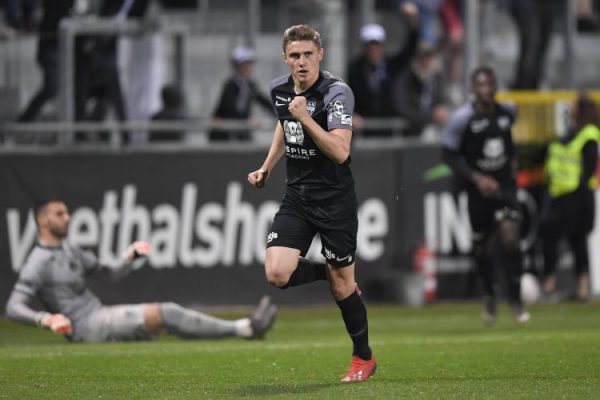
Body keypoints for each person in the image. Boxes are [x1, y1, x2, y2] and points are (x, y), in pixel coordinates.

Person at [247, 24, 376, 383]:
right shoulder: (279, 89)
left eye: (308, 54)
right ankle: (332, 273)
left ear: (320, 54)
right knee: (276, 273)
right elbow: (284, 124)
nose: (302, 62)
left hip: (334, 201)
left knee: (342, 289)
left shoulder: (337, 93)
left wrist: (305, 117)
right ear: (285, 58)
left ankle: (363, 358)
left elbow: (341, 151)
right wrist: (267, 167)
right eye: (294, 56)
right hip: (298, 197)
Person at [5, 199, 278, 342]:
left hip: (100, 316)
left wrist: (129, 258)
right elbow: (13, 306)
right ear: (42, 220)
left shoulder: (70, 250)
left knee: (166, 318)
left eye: (67, 212)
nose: (67, 217)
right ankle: (245, 328)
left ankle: (243, 328)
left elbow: (109, 273)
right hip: (86, 328)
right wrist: (46, 319)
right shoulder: (38, 261)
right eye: (59, 214)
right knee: (167, 312)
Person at [442, 66, 530, 325]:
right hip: (478, 191)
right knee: (484, 247)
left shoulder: (507, 112)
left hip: (504, 187)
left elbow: (509, 143)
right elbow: (448, 155)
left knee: (510, 237)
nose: (485, 90)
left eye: (489, 84)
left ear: (495, 87)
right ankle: (490, 295)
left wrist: (512, 166)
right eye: (480, 85)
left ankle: (515, 299)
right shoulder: (462, 118)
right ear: (473, 89)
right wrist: (477, 179)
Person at [540, 94, 600, 301]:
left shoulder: (589, 135)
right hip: (558, 194)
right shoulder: (567, 134)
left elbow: (589, 168)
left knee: (577, 241)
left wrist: (578, 192)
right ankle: (549, 283)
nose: (568, 108)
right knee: (549, 238)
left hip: (579, 196)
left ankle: (582, 286)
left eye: (573, 105)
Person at [347, 2, 419, 137]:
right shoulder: (354, 69)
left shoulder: (391, 65)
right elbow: (347, 95)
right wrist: (351, 114)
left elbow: (410, 49)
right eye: (370, 45)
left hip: (390, 127)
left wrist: (412, 21)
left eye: (377, 45)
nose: (374, 49)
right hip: (365, 129)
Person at [11, 0, 75, 122]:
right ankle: (26, 118)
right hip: (50, 46)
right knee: (52, 86)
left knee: (73, 86)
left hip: (64, 46)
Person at [209, 46, 274, 141]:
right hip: (226, 131)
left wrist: (278, 113)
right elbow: (230, 107)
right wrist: (247, 120)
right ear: (238, 67)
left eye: (250, 65)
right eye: (245, 65)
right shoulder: (230, 84)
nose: (249, 68)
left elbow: (263, 101)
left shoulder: (250, 85)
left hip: (242, 130)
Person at [390, 42, 450, 137]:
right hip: (407, 131)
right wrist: (429, 117)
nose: (426, 60)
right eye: (423, 56)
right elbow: (400, 107)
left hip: (432, 131)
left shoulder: (437, 77)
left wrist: (441, 109)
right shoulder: (405, 77)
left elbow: (441, 99)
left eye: (429, 56)